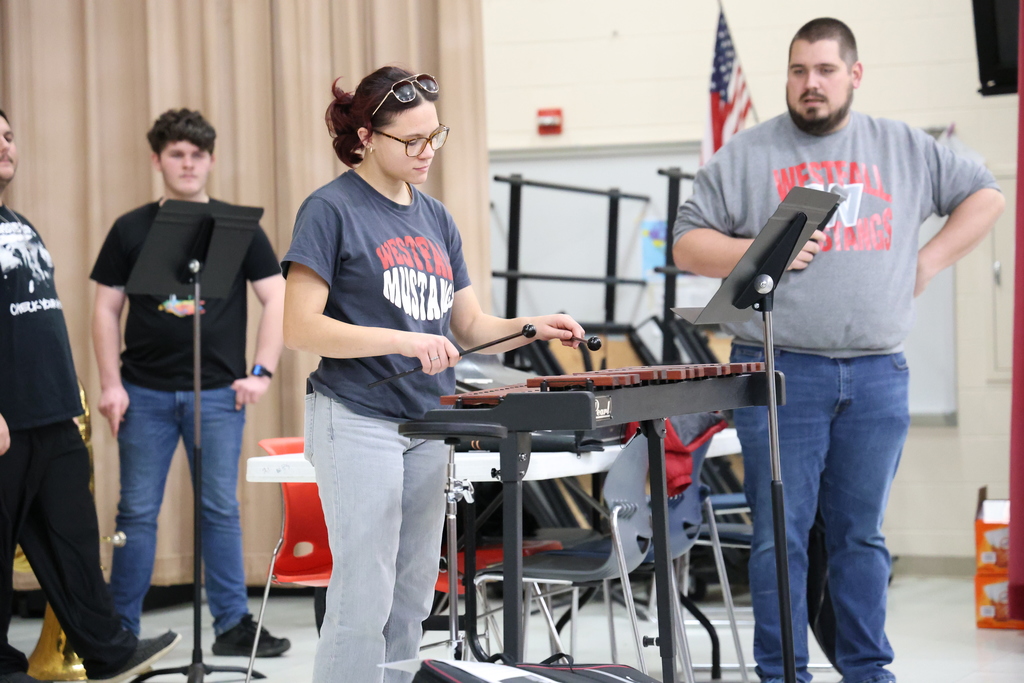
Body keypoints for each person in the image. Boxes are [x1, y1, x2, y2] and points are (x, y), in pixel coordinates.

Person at [674, 18, 1004, 683]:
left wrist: (929, 260)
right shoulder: (749, 153)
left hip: (879, 372)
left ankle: (866, 670)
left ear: (854, 75)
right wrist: (762, 251)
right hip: (781, 371)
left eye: (825, 70)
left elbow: (986, 195)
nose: (810, 84)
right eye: (798, 71)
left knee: (862, 535)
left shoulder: (903, 146)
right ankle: (782, 674)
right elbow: (685, 243)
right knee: (781, 535)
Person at [281, 66, 588, 683]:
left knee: (413, 593)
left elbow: (469, 326)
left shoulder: (437, 218)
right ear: (367, 138)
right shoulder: (330, 209)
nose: (427, 152)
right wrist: (404, 341)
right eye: (412, 140)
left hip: (427, 423)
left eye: (435, 136)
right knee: (363, 594)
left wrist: (533, 326)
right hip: (357, 416)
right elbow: (299, 327)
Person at [89, 109, 290, 658]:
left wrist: (261, 371)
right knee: (136, 513)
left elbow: (277, 297)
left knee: (220, 510)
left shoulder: (236, 227)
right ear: (157, 160)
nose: (187, 164)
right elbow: (105, 309)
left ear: (211, 160)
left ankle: (232, 626)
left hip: (218, 394)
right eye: (175, 154)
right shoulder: (130, 228)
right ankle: (120, 632)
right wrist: (111, 385)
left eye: (197, 155)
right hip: (143, 392)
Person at [0, 107, 180, 683]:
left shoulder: (19, 223)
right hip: (6, 419)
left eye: (9, 135)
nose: (6, 145)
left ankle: (108, 652)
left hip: (52, 412)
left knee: (73, 542)